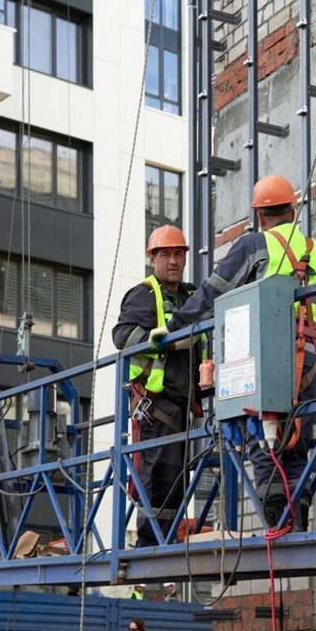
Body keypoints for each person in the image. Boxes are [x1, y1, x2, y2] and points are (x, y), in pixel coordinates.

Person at [152, 175, 316, 532]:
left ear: (259, 215)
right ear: (293, 208)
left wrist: (173, 328)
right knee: (297, 433)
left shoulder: (254, 245)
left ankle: (274, 514)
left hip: (266, 354)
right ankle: (296, 512)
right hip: (307, 359)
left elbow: (211, 293)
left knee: (261, 429)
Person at [112, 225, 201, 547]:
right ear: (153, 259)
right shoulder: (144, 293)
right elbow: (122, 336)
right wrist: (163, 344)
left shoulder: (192, 295)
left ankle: (168, 538)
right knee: (159, 474)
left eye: (178, 254)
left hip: (184, 403)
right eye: (166, 255)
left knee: (178, 477)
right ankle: (151, 543)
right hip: (156, 404)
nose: (173, 261)